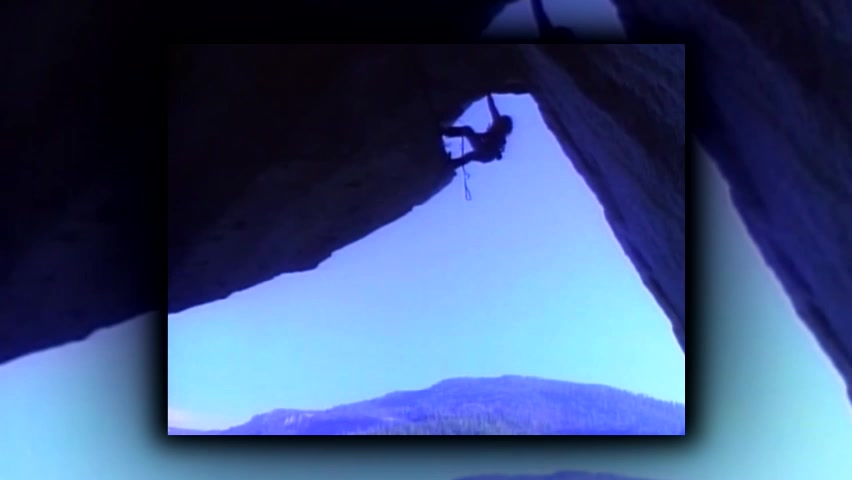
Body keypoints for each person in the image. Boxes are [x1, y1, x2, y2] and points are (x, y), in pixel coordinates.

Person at [442, 93, 513, 167]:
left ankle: (453, 163)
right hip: (483, 146)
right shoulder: (498, 121)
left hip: (487, 154)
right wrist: (488, 94)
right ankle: (446, 132)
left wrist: (473, 135)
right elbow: (492, 107)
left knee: (471, 155)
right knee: (467, 131)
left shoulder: (499, 135)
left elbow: (485, 136)